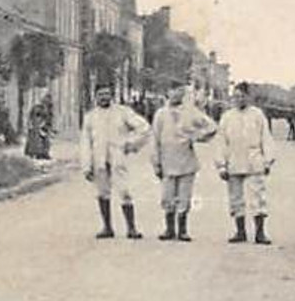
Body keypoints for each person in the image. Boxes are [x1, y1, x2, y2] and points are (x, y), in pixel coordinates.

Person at [79, 83, 151, 239]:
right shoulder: (90, 117)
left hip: (118, 157)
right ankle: (107, 227)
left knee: (124, 191)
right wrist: (86, 165)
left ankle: (131, 228)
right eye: (100, 94)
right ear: (95, 96)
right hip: (99, 159)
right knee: (102, 193)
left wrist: (131, 144)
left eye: (106, 93)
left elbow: (143, 127)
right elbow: (85, 142)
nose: (104, 97)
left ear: (111, 95)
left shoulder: (122, 112)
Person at [151, 84, 218, 242]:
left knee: (184, 197)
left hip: (186, 160)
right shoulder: (160, 114)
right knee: (167, 196)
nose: (176, 94)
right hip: (167, 161)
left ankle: (182, 230)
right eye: (173, 91)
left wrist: (197, 136)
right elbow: (155, 140)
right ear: (167, 93)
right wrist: (156, 163)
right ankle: (169, 229)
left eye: (180, 91)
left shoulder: (191, 112)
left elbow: (212, 126)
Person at [215, 83, 276, 244]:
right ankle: (240, 231)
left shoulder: (257, 115)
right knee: (236, 198)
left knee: (258, 197)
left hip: (253, 161)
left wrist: (268, 160)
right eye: (236, 96)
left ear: (249, 97)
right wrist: (221, 165)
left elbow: (266, 139)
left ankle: (260, 232)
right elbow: (221, 142)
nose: (239, 99)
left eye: (242, 96)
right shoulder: (227, 117)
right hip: (234, 161)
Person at [24, 95, 53, 159]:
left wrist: (46, 124)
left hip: (43, 127)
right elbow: (33, 116)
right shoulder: (37, 108)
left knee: (45, 140)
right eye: (46, 102)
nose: (47, 104)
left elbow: (48, 118)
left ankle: (43, 153)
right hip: (36, 127)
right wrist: (33, 123)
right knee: (36, 140)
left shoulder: (49, 109)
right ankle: (35, 153)